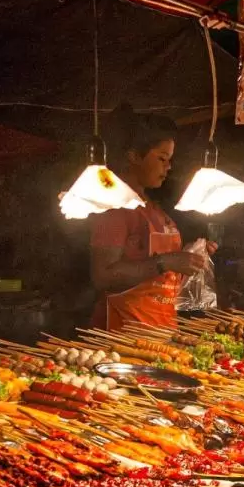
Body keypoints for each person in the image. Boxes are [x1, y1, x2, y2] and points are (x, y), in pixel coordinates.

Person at [88, 106, 216, 331]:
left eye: (170, 160)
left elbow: (158, 265)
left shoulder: (153, 209)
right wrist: (166, 261)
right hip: (123, 334)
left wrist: (190, 257)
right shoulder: (116, 207)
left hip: (160, 330)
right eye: (162, 158)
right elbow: (102, 275)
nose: (168, 167)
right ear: (134, 157)